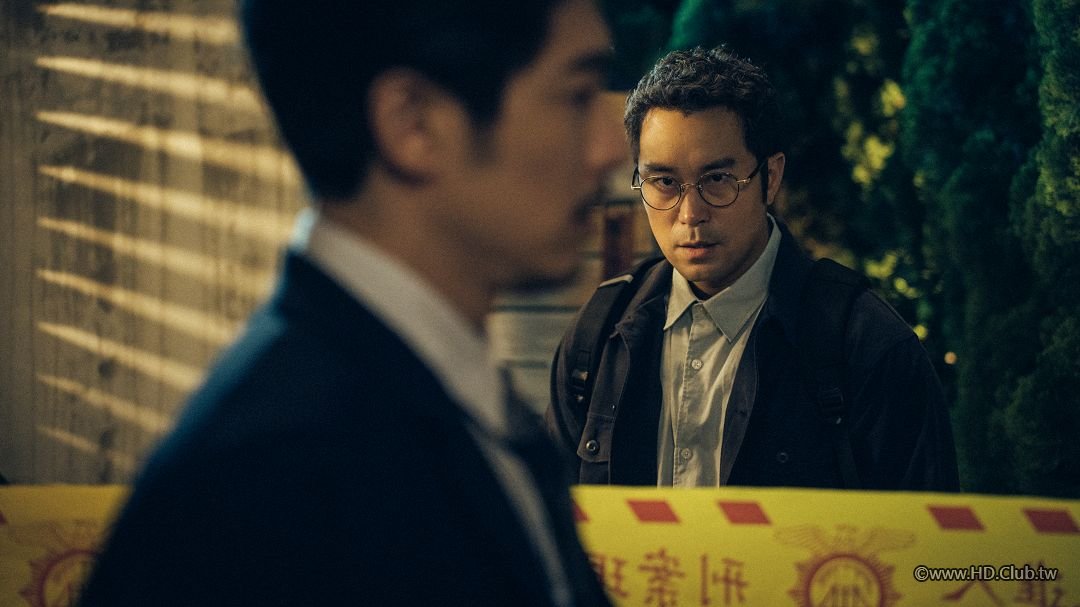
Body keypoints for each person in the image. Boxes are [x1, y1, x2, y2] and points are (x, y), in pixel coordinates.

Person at [79, 0, 624, 604]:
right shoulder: (271, 474)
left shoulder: (435, 397)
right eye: (577, 96)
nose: (611, 148)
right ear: (413, 123)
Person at [548, 46, 959, 491]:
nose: (690, 214)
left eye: (717, 180)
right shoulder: (600, 334)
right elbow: (551, 518)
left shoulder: (866, 345)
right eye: (664, 182)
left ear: (771, 177)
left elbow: (919, 530)